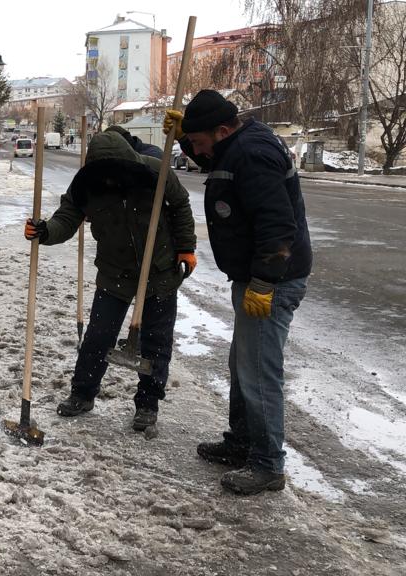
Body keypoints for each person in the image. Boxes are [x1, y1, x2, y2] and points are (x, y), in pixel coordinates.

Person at [163, 89, 312, 495]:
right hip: (256, 276)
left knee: (258, 372)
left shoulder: (252, 155)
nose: (195, 151)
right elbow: (215, 159)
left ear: (223, 129)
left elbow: (278, 224)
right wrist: (183, 138)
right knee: (242, 364)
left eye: (197, 141)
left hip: (272, 280)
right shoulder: (236, 146)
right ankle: (242, 443)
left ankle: (267, 464)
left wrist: (264, 282)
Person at [25, 130, 197, 431]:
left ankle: (147, 403)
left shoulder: (155, 172)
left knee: (156, 342)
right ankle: (83, 393)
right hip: (115, 271)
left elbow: (181, 206)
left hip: (159, 270)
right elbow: (66, 218)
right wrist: (45, 231)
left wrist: (186, 248)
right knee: (98, 337)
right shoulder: (86, 184)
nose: (111, 178)